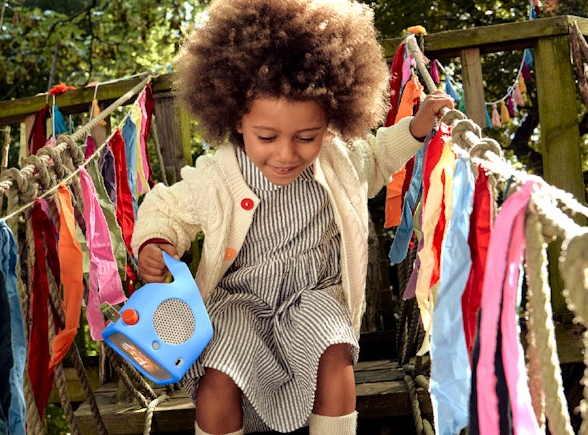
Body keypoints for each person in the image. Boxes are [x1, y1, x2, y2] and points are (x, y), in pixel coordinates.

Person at [132, 0, 453, 433]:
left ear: (333, 121)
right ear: (236, 119)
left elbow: (377, 158)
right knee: (218, 378)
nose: (286, 154)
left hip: (313, 293)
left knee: (335, 352)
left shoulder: (336, 160)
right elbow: (168, 207)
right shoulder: (218, 175)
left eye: (307, 136)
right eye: (267, 136)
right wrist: (156, 242)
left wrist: (416, 128)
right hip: (239, 302)